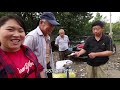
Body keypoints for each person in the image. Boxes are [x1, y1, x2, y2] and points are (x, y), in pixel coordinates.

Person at [23, 12, 60, 78]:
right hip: (36, 71)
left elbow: (48, 53)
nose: (52, 28)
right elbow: (23, 57)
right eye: (50, 25)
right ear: (41, 23)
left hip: (48, 66)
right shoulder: (32, 37)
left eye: (53, 26)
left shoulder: (47, 36)